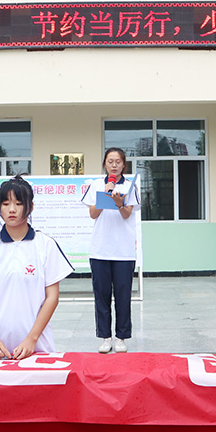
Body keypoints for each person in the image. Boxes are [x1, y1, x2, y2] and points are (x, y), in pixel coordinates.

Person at [0, 175, 73, 360]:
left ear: (31, 206)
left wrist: (32, 339)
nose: (12, 209)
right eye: (5, 203)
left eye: (18, 203)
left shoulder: (45, 245)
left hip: (37, 347)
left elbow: (52, 297)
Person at [81, 147, 141, 354]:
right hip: (100, 250)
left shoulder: (130, 186)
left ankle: (121, 337)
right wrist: (105, 195)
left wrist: (118, 203)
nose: (114, 165)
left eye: (118, 161)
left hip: (123, 252)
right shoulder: (97, 184)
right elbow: (93, 214)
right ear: (105, 164)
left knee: (123, 296)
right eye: (110, 161)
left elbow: (126, 215)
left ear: (124, 164)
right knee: (102, 296)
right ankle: (105, 337)